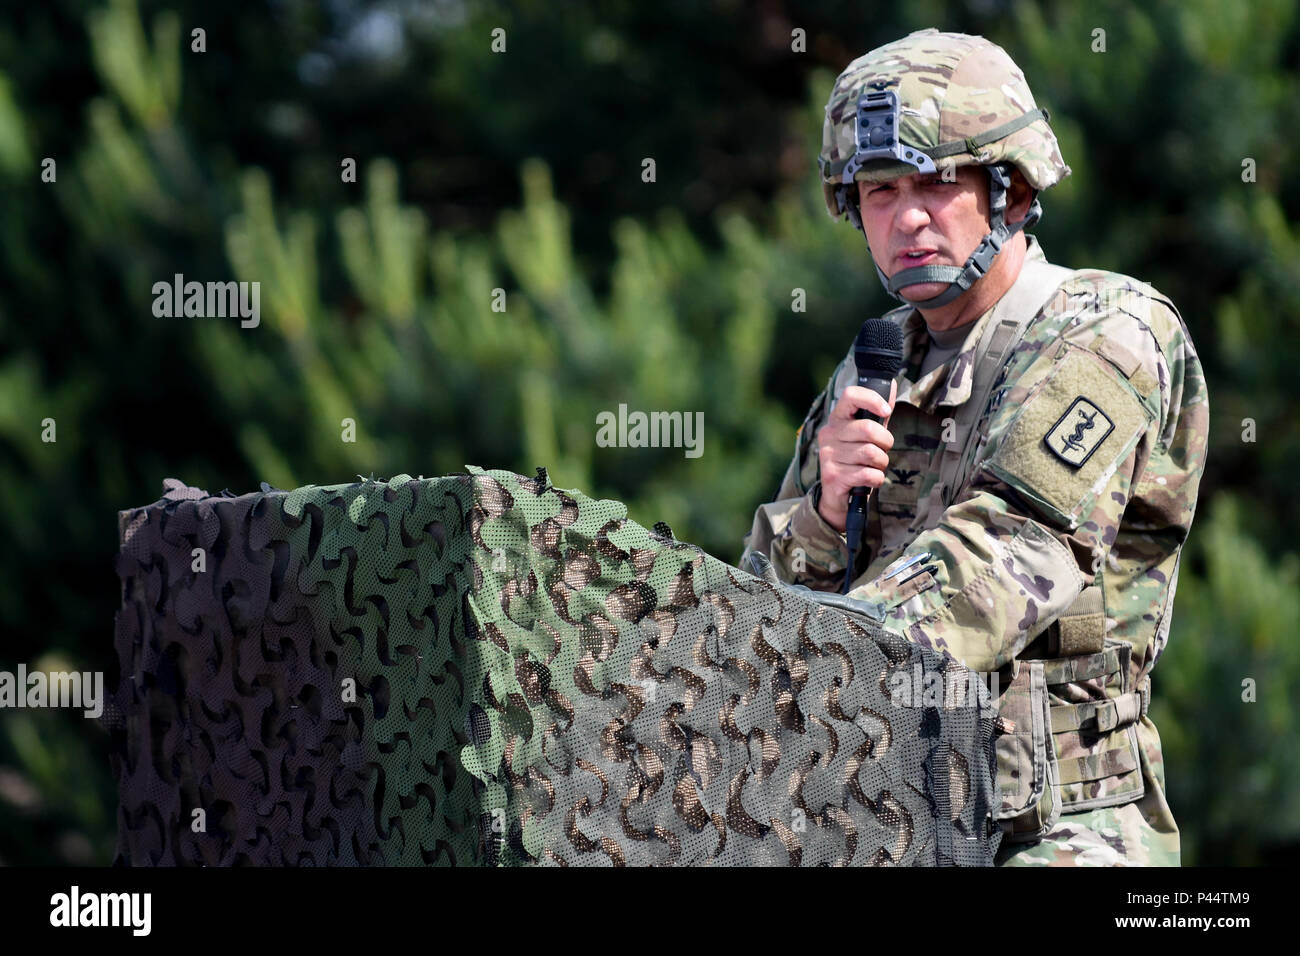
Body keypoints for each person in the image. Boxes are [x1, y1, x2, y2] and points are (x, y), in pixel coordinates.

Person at [740, 29, 1209, 866]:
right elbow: (756, 606)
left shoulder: (1108, 331)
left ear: (1012, 191)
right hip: (881, 823)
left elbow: (1002, 558)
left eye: (937, 181)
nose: (907, 216)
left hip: (1060, 828)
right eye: (879, 190)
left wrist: (814, 665)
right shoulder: (876, 364)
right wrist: (820, 515)